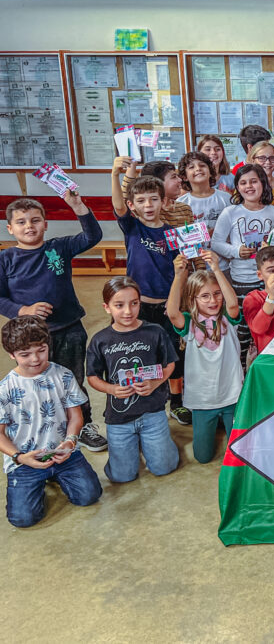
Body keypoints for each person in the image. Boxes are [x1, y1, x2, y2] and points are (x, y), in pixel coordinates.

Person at [0, 190, 106, 452]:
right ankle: (46, 426)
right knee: (37, 381)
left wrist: (78, 205)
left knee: (72, 379)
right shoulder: (5, 259)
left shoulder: (58, 247)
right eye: (22, 222)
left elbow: (93, 236)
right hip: (30, 337)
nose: (29, 226)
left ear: (45, 224)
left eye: (35, 220)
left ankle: (83, 425)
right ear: (10, 228)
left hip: (69, 328)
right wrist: (22, 310)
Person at [1, 315, 102, 527]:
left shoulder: (63, 375)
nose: (35, 359)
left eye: (41, 350)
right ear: (11, 354)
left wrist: (70, 441)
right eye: (25, 354)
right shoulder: (5, 389)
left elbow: (75, 415)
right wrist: (20, 457)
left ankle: (55, 475)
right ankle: (40, 480)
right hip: (25, 461)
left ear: (49, 345)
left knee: (89, 495)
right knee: (23, 519)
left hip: (63, 453)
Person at [111, 158, 190, 425]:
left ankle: (177, 402)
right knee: (142, 353)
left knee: (172, 354)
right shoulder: (132, 227)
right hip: (139, 305)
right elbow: (118, 205)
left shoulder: (172, 233)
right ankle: (145, 399)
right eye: (142, 201)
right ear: (133, 206)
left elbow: (180, 270)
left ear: (162, 201)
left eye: (153, 200)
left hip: (168, 304)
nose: (148, 206)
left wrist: (183, 268)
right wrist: (116, 174)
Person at [86, 276, 180, 482]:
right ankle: (133, 448)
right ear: (107, 307)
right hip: (119, 419)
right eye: (119, 305)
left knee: (164, 467)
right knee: (122, 477)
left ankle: (159, 442)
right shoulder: (100, 340)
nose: (128, 311)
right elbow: (92, 376)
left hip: (153, 412)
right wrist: (112, 390)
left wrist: (155, 383)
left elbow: (170, 364)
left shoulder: (155, 331)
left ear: (140, 303)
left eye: (134, 304)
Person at [166, 251, 243, 464]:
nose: (213, 300)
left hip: (232, 396)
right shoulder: (189, 322)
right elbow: (172, 312)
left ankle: (224, 423)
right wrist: (178, 275)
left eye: (217, 294)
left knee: (239, 452)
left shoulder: (227, 318)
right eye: (205, 296)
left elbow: (233, 304)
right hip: (203, 400)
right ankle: (215, 424)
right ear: (193, 299)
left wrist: (217, 269)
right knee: (202, 457)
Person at [210, 164, 274, 365]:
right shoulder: (230, 212)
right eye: (243, 182)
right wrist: (236, 251)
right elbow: (215, 243)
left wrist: (270, 248)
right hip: (242, 279)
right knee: (242, 328)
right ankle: (241, 373)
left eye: (254, 181)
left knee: (269, 325)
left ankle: (268, 368)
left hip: (269, 282)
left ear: (263, 183)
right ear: (237, 187)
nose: (249, 186)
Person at [177, 151, 230, 230]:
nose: (198, 169)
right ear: (185, 177)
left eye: (202, 165)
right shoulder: (181, 203)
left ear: (211, 172)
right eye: (191, 167)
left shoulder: (226, 198)